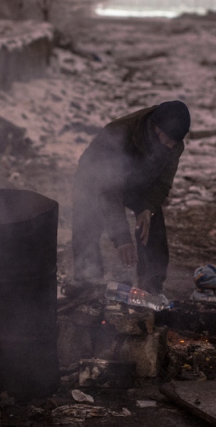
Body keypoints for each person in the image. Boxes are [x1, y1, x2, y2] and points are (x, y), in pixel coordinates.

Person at [69, 100, 190, 295]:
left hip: (139, 181)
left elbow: (163, 183)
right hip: (96, 180)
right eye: (167, 140)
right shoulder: (118, 134)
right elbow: (108, 192)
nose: (170, 146)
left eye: (174, 143)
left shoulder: (174, 143)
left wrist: (147, 208)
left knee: (152, 225)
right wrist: (122, 238)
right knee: (87, 221)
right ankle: (87, 283)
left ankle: (151, 287)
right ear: (155, 127)